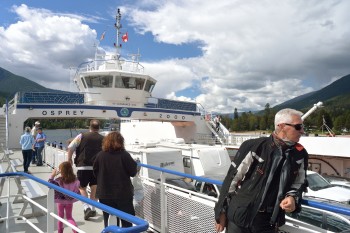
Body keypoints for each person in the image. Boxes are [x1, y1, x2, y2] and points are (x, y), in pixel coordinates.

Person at [214, 108, 308, 233]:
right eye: (298, 127)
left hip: (268, 222)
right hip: (239, 216)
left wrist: (292, 197)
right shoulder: (254, 146)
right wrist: (221, 210)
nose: (302, 131)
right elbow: (232, 178)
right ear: (281, 126)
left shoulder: (300, 155)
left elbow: (300, 182)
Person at [93, 131, 137, 228]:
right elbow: (133, 172)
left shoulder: (100, 155)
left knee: (109, 221)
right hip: (123, 194)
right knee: (127, 221)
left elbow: (95, 172)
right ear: (121, 142)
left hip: (105, 193)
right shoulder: (124, 155)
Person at [67, 119, 103, 220]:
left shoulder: (81, 136)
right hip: (97, 167)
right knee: (94, 188)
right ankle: (93, 208)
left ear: (89, 127)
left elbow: (71, 147)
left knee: (81, 187)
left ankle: (86, 208)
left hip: (83, 166)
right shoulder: (103, 138)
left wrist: (69, 159)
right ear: (99, 128)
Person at [48, 162, 80, 233]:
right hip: (69, 202)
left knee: (60, 218)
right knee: (69, 217)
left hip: (60, 201)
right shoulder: (75, 180)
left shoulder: (59, 180)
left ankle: (60, 231)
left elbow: (49, 184)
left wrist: (53, 175)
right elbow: (78, 188)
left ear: (61, 171)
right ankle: (75, 230)